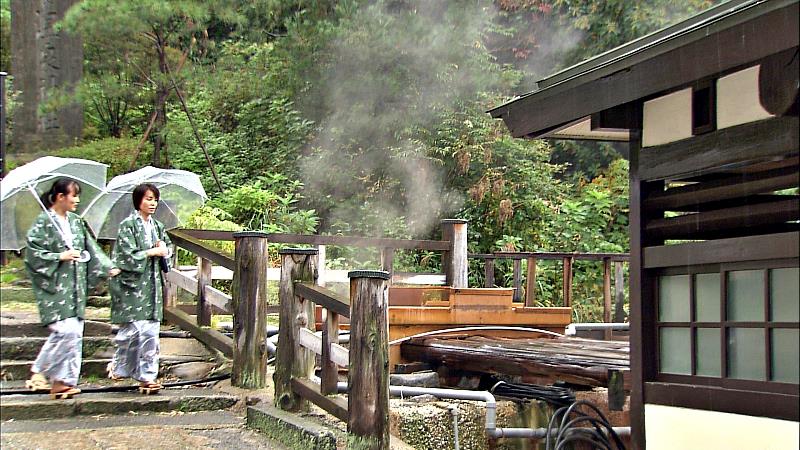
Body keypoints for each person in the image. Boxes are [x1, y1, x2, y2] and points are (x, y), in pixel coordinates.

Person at [24, 178, 120, 399]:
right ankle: (39, 370)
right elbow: (33, 255)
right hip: (55, 286)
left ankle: (62, 382)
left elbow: (91, 248)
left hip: (76, 286)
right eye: (73, 196)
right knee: (65, 331)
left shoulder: (76, 222)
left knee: (75, 333)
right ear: (60, 197)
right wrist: (60, 256)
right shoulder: (44, 222)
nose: (77, 200)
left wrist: (107, 267)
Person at [108, 183, 173, 395]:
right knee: (132, 330)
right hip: (132, 284)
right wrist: (151, 252)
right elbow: (126, 255)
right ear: (138, 201)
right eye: (148, 199)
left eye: (155, 199)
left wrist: (164, 250)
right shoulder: (128, 225)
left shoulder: (158, 227)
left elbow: (168, 250)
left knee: (151, 331)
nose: (152, 203)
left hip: (152, 284)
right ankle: (119, 366)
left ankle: (148, 377)